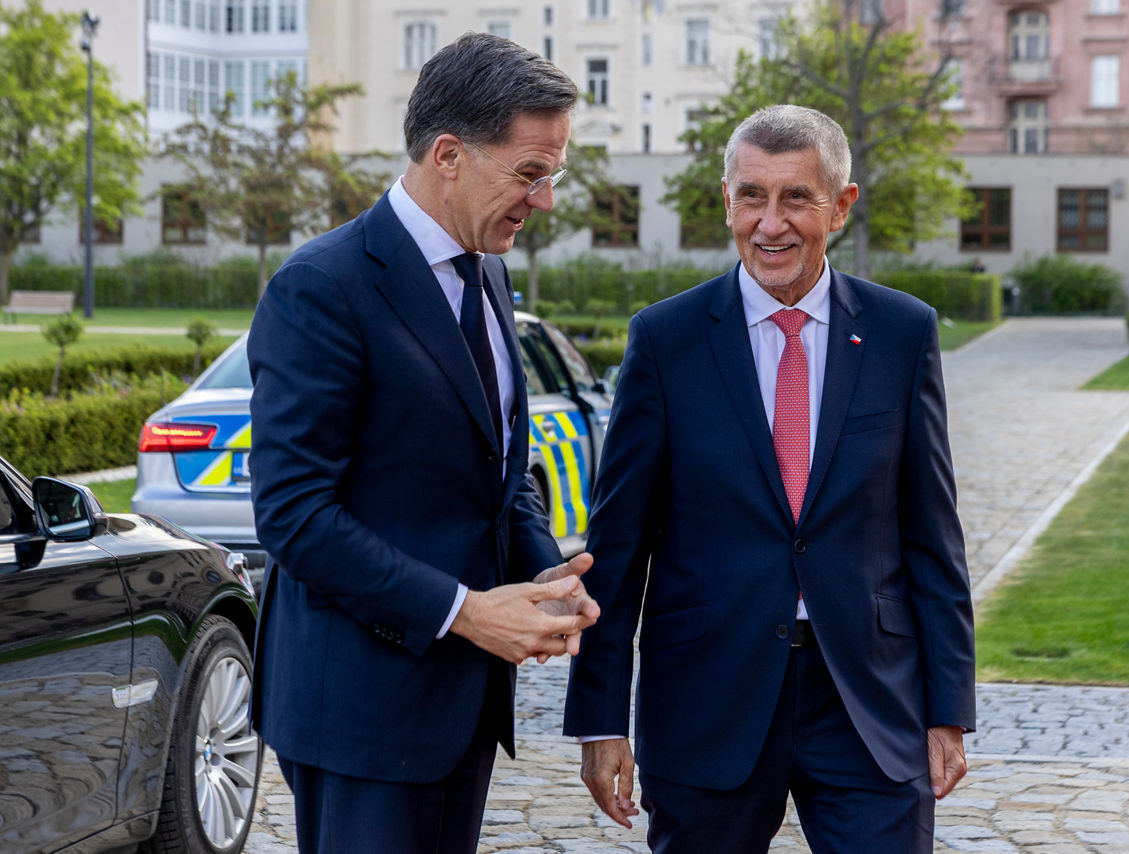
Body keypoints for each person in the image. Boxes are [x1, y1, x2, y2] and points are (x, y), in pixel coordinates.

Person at [563, 105, 975, 852]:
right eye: (752, 195)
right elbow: (617, 549)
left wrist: (948, 707)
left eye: (796, 197)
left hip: (869, 704)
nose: (770, 223)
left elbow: (931, 535)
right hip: (706, 699)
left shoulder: (901, 332)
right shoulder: (666, 341)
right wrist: (599, 718)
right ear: (727, 201)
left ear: (841, 207)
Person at [247, 33, 598, 854]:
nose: (543, 200)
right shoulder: (321, 287)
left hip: (461, 707)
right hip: (359, 714)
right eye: (529, 174)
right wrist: (469, 613)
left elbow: (496, 472)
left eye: (554, 175)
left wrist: (542, 573)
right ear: (448, 154)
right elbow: (295, 518)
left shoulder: (489, 271)